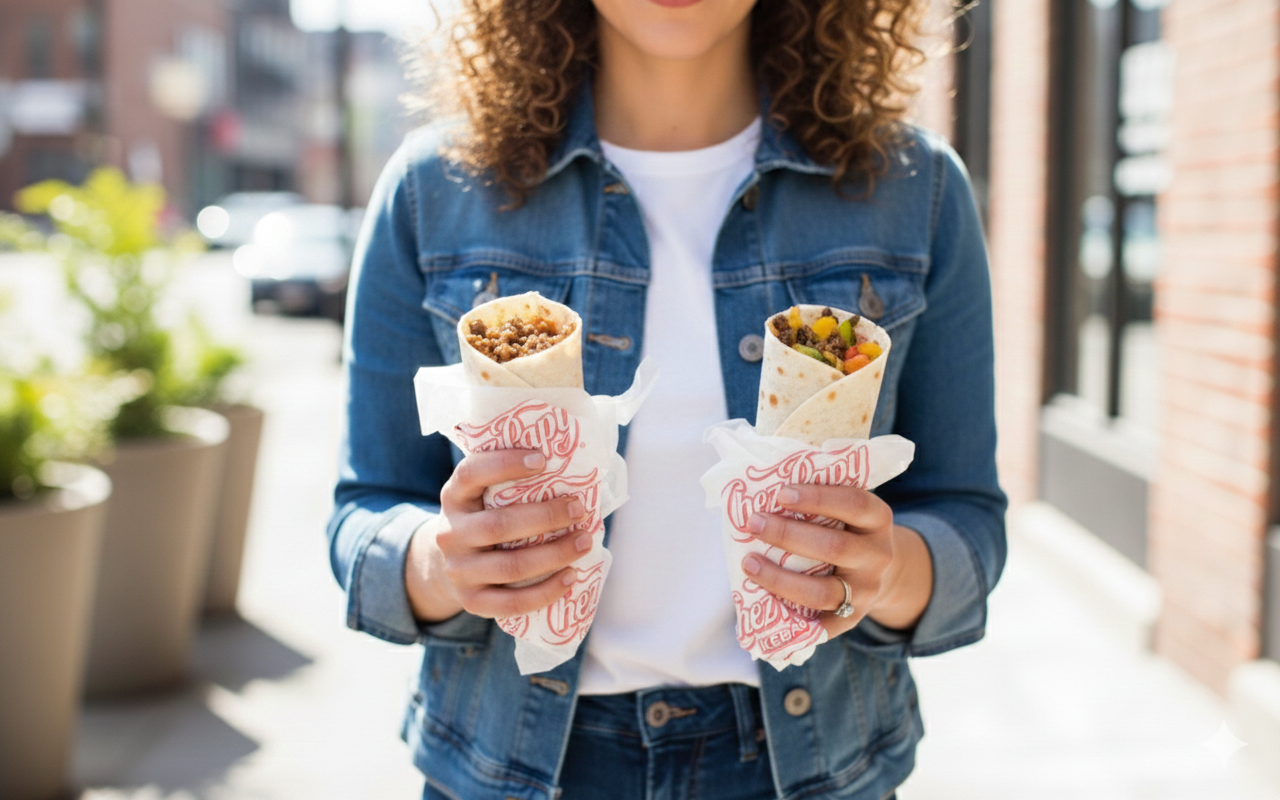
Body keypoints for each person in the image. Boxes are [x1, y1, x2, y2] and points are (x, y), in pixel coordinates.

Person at [327, 0, 1006, 798]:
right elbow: (364, 509)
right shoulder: (431, 189)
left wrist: (888, 569)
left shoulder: (915, 191)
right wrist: (440, 566)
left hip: (815, 765)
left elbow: (966, 516)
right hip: (511, 766)